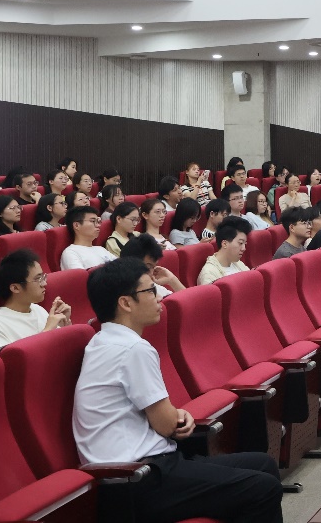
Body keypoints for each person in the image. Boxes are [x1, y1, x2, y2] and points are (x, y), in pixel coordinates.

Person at [75, 258, 284, 523]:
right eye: (150, 290)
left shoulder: (103, 341)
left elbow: (156, 414)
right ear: (126, 303)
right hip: (139, 478)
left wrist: (176, 415)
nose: (159, 297)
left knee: (263, 464)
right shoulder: (132, 349)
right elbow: (166, 425)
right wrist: (175, 417)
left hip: (142, 468)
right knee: (263, 488)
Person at [0, 248, 71, 353]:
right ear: (15, 288)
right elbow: (10, 362)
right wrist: (47, 331)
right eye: (37, 279)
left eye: (43, 277)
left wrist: (65, 326)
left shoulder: (37, 309)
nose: (44, 283)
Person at [119, 235, 186, 297]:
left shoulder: (153, 286)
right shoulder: (126, 294)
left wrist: (172, 280)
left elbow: (187, 302)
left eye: (154, 267)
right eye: (148, 267)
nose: (152, 273)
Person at [197, 217, 252, 285]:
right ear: (224, 244)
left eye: (245, 244)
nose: (244, 248)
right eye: (240, 243)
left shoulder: (238, 263)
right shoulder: (209, 274)